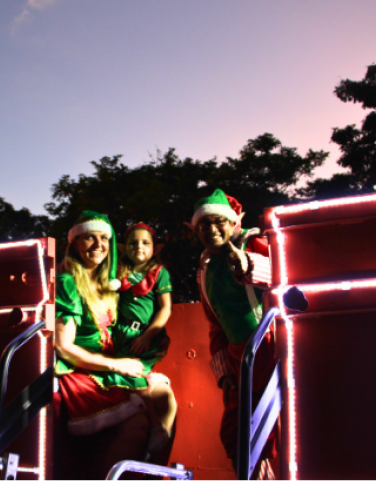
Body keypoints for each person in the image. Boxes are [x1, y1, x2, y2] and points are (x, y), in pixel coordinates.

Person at [54, 211, 170, 474]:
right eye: (89, 237)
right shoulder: (67, 282)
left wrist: (157, 338)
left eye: (104, 238)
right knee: (137, 425)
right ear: (74, 243)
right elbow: (64, 347)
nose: (98, 245)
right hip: (81, 370)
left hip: (108, 365)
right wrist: (117, 365)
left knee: (164, 397)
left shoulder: (108, 283)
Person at [186, 189, 278, 479]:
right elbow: (216, 324)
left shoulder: (254, 242)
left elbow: (285, 273)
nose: (211, 229)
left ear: (233, 222)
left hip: (272, 352)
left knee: (273, 432)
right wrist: (224, 372)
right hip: (240, 364)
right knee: (235, 435)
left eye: (218, 222)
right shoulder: (205, 269)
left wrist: (249, 265)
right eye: (203, 224)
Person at [109, 223, 177, 455]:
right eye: (133, 243)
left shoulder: (159, 272)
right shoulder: (120, 274)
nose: (139, 247)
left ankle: (157, 427)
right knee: (120, 374)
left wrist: (149, 336)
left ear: (155, 249)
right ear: (124, 247)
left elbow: (165, 308)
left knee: (133, 373)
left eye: (145, 242)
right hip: (120, 335)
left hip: (145, 335)